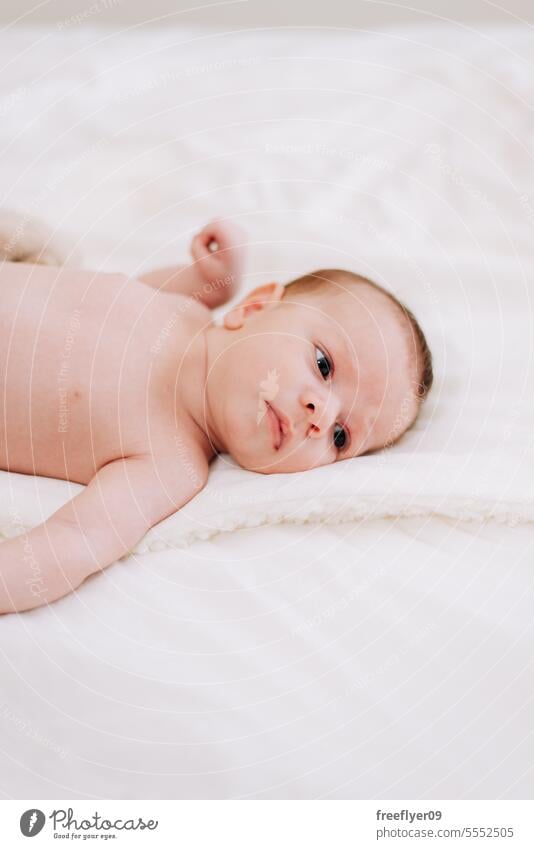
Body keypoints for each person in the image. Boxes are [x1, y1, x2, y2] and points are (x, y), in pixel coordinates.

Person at [0, 215, 432, 613]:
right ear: (255, 307)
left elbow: (77, 539)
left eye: (340, 437)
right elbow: (120, 290)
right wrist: (209, 276)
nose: (321, 416)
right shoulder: (179, 309)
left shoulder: (172, 463)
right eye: (323, 365)